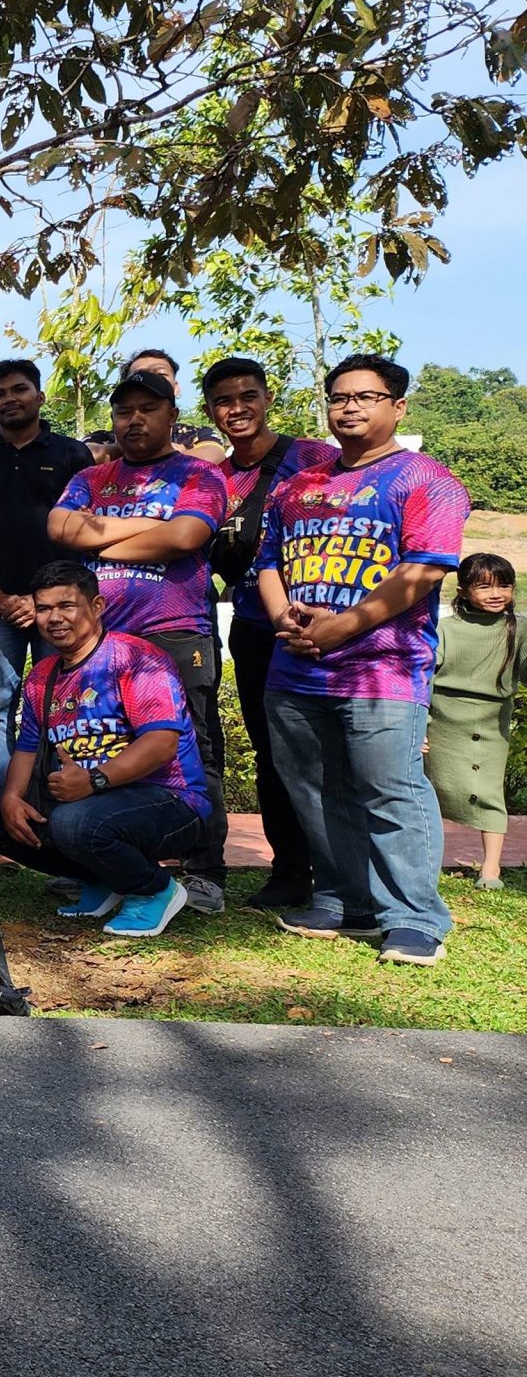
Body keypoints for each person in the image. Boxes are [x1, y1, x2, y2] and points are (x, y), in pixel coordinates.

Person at [258, 354, 471, 964]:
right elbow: (269, 561)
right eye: (338, 396)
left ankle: (413, 916)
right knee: (314, 789)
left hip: (382, 667)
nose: (348, 406)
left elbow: (423, 571)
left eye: (366, 396)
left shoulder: (426, 479)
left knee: (389, 789)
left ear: (398, 406)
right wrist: (283, 619)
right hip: (296, 665)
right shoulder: (300, 483)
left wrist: (341, 628)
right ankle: (345, 899)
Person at [48, 369, 231, 908]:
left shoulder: (198, 473)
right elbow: (61, 529)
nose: (134, 419)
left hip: (174, 633)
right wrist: (151, 530)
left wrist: (98, 538)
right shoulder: (93, 477)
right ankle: (112, 867)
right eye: (124, 410)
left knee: (193, 749)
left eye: (147, 409)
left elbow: (186, 536)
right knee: (101, 747)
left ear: (172, 416)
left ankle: (204, 871)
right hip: (100, 644)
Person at [0, 561, 212, 937]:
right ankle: (102, 879)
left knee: (74, 821)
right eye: (43, 609)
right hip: (88, 801)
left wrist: (94, 780)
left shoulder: (136, 658)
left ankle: (155, 889)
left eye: (66, 606)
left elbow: (161, 744)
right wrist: (12, 797)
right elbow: (28, 748)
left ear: (96, 607)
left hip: (169, 801)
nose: (54, 618)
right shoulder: (42, 675)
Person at [202, 355, 335, 911]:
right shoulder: (216, 478)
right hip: (258, 632)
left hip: (326, 627)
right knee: (273, 754)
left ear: (266, 398)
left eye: (247, 396)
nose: (238, 409)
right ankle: (289, 871)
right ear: (209, 411)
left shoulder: (315, 458)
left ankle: (345, 872)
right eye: (225, 401)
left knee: (333, 754)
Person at [0, 358, 93, 798]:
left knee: (66, 706)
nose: (9, 399)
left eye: (18, 389)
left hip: (61, 607)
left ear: (39, 397)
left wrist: (44, 600)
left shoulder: (71, 455)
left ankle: (60, 809)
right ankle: (0, 813)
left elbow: (86, 534)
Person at [430, 553, 516, 891]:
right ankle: (427, 862)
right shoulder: (445, 627)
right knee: (435, 790)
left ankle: (491, 869)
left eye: (504, 586)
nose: (496, 594)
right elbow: (426, 675)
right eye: (485, 586)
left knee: (491, 793)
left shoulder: (517, 627)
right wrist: (420, 721)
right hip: (445, 719)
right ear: (464, 590)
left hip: (495, 721)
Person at [124, 348, 227, 464]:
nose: (151, 380)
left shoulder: (198, 434)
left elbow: (210, 456)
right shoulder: (106, 439)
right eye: (141, 375)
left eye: (161, 374)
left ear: (176, 387)